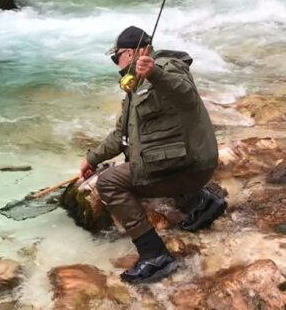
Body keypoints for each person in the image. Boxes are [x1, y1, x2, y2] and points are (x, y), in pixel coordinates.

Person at [80, 26, 226, 284]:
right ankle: (200, 203)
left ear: (134, 52)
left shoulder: (167, 67)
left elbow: (186, 96)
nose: (116, 64)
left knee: (109, 182)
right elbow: (120, 135)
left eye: (117, 57)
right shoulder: (134, 86)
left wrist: (155, 74)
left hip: (191, 166)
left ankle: (155, 256)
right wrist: (91, 160)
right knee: (134, 160)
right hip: (181, 164)